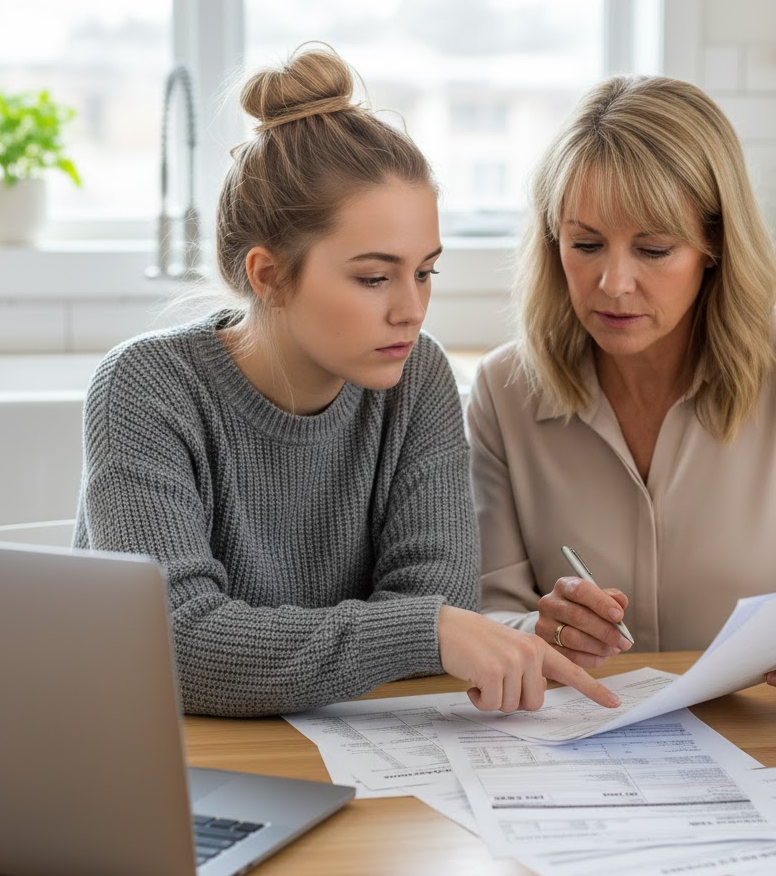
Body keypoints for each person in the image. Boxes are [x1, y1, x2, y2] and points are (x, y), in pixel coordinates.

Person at [74, 44, 619, 718]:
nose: (411, 308)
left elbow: (435, 597)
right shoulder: (146, 388)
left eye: (425, 271)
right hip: (182, 762)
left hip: (357, 752)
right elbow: (175, 643)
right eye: (373, 277)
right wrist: (420, 632)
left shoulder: (417, 377)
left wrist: (429, 629)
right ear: (268, 275)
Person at [467, 74, 776, 711]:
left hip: (756, 741)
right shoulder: (505, 388)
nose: (613, 283)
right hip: (578, 744)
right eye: (584, 244)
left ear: (715, 244)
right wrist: (536, 632)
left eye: (654, 248)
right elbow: (487, 609)